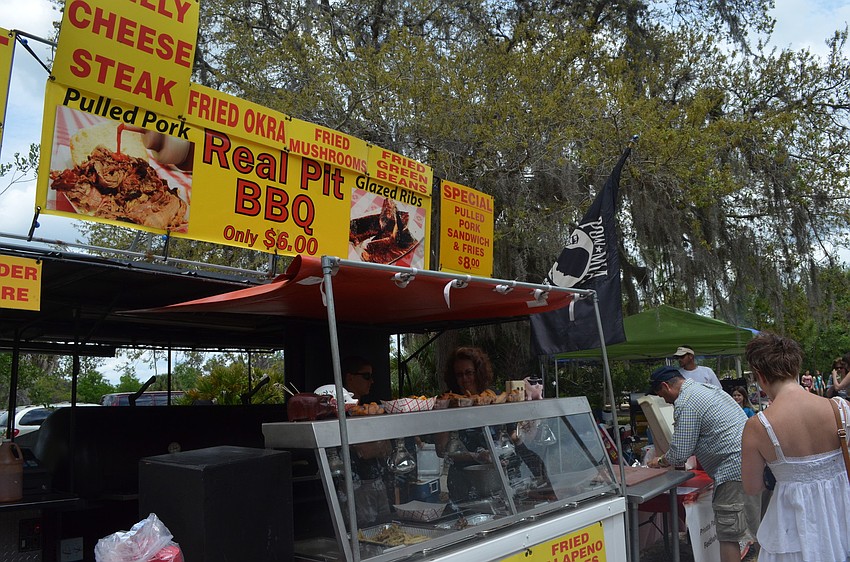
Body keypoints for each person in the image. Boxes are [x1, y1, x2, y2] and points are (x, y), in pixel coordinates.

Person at [741, 332, 850, 561]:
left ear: (760, 376)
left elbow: (752, 487)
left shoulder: (757, 426)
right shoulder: (840, 409)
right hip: (842, 515)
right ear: (796, 368)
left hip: (792, 527)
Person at [646, 365, 760, 562]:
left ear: (666, 385)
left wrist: (659, 461)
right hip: (750, 462)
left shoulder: (686, 402)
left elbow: (680, 453)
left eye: (660, 393)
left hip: (731, 469)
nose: (663, 399)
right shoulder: (706, 389)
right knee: (752, 526)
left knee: (728, 535)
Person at [329, 356, 393, 527]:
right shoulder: (339, 411)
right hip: (355, 486)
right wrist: (378, 444)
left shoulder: (367, 409)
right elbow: (366, 450)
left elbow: (388, 447)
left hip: (377, 480)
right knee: (364, 533)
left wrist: (379, 445)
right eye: (366, 376)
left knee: (385, 530)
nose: (371, 381)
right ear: (350, 378)